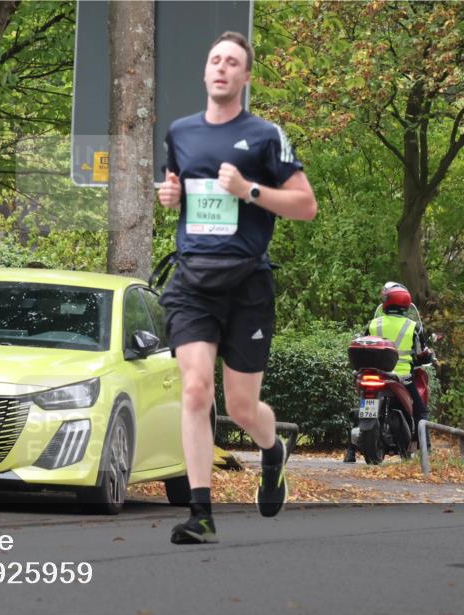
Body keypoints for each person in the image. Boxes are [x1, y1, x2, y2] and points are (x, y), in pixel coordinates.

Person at [156, 32, 317, 544]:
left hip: (247, 285)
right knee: (196, 388)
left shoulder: (266, 135)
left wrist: (247, 189)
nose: (221, 68)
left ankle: (272, 450)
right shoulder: (180, 132)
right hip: (192, 283)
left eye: (232, 62)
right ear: (205, 73)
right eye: (215, 60)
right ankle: (200, 513)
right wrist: (169, 193)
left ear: (245, 78)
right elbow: (175, 189)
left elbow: (305, 206)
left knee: (243, 408)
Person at [344, 282, 432, 463]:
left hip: (374, 373)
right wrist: (426, 357)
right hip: (401, 377)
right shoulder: (412, 326)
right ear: (406, 303)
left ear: (387, 302)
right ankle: (426, 450)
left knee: (363, 405)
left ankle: (350, 452)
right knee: (420, 411)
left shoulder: (374, 323)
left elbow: (366, 342)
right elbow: (421, 352)